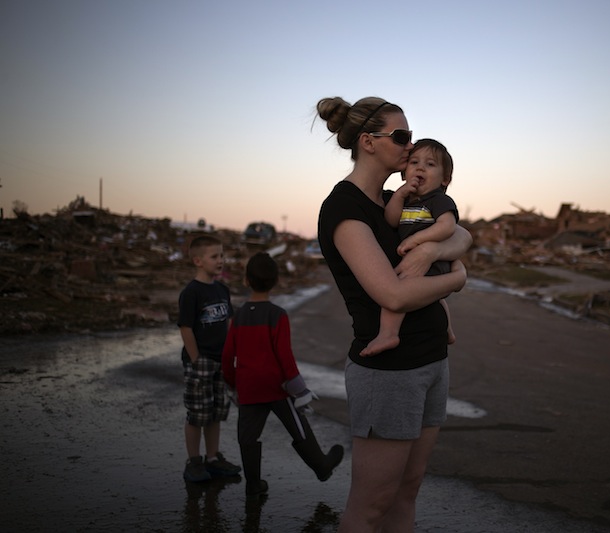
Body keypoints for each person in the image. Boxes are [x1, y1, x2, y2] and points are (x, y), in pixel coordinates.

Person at [316, 96, 472, 532]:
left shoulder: (395, 200)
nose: (410, 146)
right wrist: (456, 279)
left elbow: (461, 231)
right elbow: (393, 295)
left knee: (408, 489)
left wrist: (437, 251)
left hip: (431, 360)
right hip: (388, 373)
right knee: (372, 504)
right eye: (401, 137)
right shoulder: (343, 209)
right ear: (368, 141)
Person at [221, 252, 344, 499]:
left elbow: (227, 355)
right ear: (276, 281)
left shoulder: (239, 316)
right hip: (276, 387)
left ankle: (253, 484)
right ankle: (321, 466)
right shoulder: (277, 315)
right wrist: (299, 389)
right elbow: (284, 356)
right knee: (298, 426)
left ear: (246, 281)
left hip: (248, 388)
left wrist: (233, 385)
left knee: (247, 436)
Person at [361, 138, 459, 356]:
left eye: (430, 164)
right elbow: (392, 220)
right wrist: (400, 194)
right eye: (414, 162)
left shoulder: (439, 200)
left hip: (431, 260)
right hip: (422, 260)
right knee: (436, 298)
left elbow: (447, 227)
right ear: (404, 173)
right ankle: (448, 330)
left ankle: (389, 333)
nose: (420, 167)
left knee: (398, 290)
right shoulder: (406, 201)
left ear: (445, 179)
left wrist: (417, 240)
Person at [178, 235, 242, 482]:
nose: (221, 261)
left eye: (222, 255)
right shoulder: (191, 292)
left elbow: (229, 323)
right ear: (198, 261)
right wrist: (196, 360)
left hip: (221, 361)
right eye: (214, 256)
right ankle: (194, 461)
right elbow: (185, 328)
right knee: (197, 414)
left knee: (216, 412)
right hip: (200, 362)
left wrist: (231, 354)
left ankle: (213, 458)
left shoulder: (222, 290)